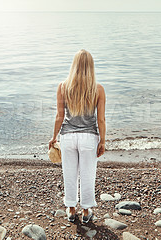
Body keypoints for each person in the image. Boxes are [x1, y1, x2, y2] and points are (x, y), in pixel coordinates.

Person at [49, 49, 106, 223]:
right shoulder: (98, 89)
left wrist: (54, 137)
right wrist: (102, 140)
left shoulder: (63, 86)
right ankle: (87, 211)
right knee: (88, 174)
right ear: (91, 66)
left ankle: (71, 209)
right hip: (89, 137)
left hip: (68, 136)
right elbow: (101, 119)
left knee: (69, 173)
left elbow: (59, 116)